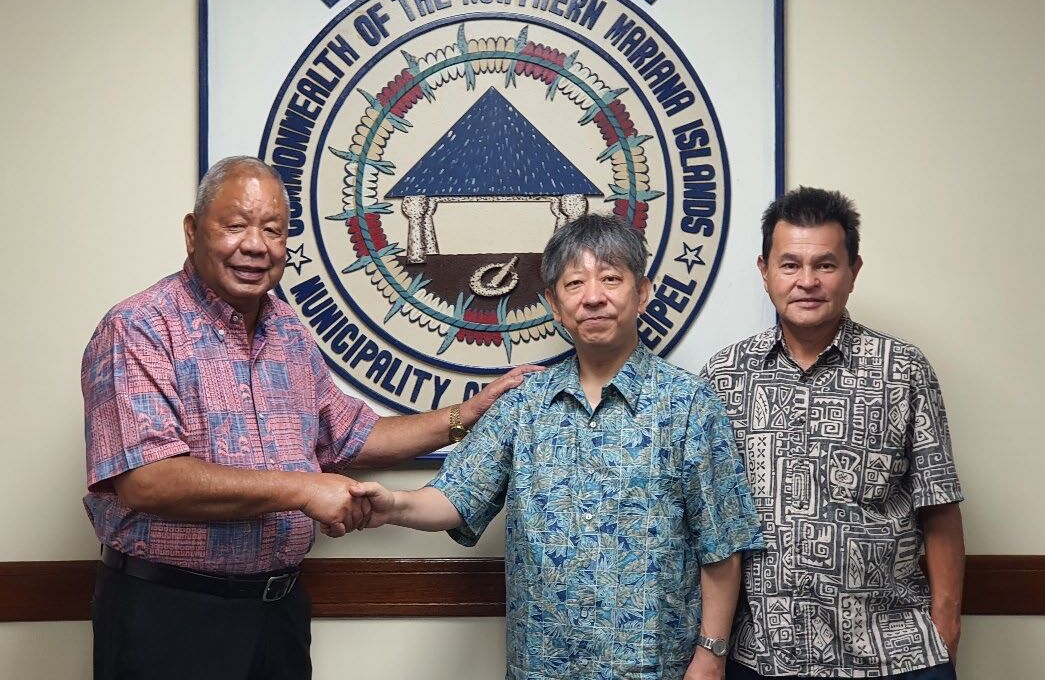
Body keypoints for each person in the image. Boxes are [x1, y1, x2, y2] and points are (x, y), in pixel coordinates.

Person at [82, 155, 538, 680]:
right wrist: (303, 489)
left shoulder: (289, 333)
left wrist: (466, 415)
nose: (255, 245)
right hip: (169, 614)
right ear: (192, 232)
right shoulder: (138, 326)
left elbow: (354, 435)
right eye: (235, 226)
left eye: (273, 230)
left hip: (278, 614)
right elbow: (148, 480)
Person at [350, 213, 765, 680]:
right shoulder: (524, 404)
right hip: (543, 666)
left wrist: (711, 655)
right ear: (553, 303)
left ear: (642, 292)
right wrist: (392, 505)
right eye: (574, 284)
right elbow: (454, 498)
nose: (593, 297)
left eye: (611, 279)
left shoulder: (689, 405)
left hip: (654, 667)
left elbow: (722, 542)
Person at [701, 187, 965, 680]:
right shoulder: (724, 376)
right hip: (763, 657)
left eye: (825, 264)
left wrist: (946, 622)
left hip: (894, 653)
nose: (807, 281)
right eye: (789, 265)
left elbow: (940, 505)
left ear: (853, 272)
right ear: (764, 272)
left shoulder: (903, 370)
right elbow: (712, 522)